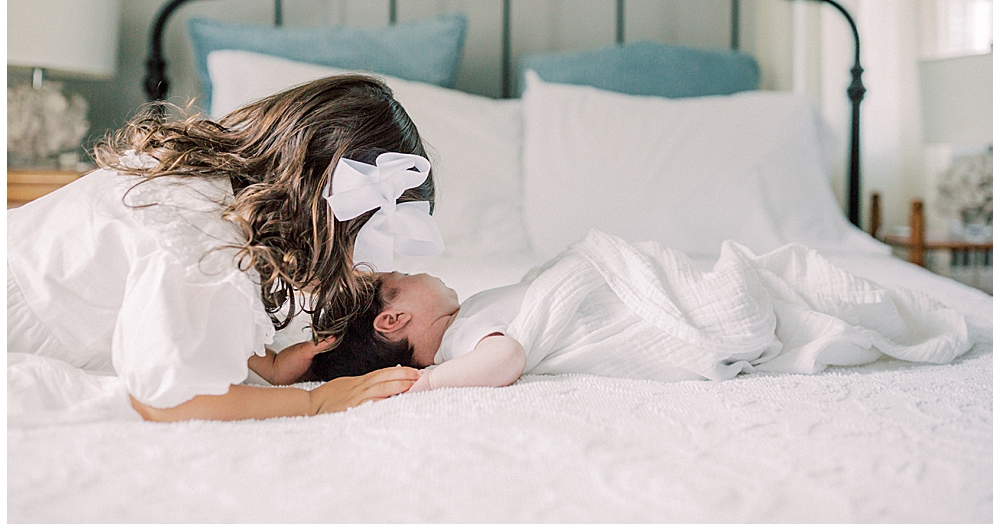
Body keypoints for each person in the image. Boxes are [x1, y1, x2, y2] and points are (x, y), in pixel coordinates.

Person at [7, 74, 446, 422]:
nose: (365, 268)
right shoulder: (206, 242)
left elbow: (168, 303)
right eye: (363, 242)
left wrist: (268, 363)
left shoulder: (208, 191)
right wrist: (315, 403)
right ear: (320, 213)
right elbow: (170, 400)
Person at [307, 229, 973, 392]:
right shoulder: (463, 346)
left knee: (792, 283)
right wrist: (418, 383)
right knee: (787, 299)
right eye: (405, 277)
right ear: (392, 320)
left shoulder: (469, 315)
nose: (422, 269)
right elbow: (508, 357)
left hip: (640, 283)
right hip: (659, 313)